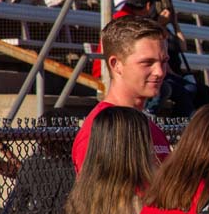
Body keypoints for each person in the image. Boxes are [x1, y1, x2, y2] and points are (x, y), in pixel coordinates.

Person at [73, 17, 172, 172]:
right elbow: (98, 195)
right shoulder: (100, 130)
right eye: (147, 63)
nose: (159, 72)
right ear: (116, 64)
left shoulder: (152, 128)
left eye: (164, 61)